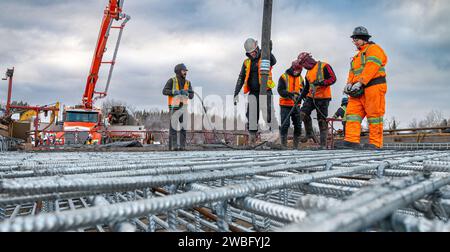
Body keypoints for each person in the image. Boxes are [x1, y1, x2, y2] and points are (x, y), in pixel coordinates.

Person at [343, 26, 388, 149]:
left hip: (373, 86)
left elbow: (371, 66)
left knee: (374, 115)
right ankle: (351, 140)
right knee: (352, 114)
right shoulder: (356, 57)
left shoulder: (374, 49)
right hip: (358, 89)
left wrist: (361, 82)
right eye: (354, 40)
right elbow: (352, 72)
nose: (355, 42)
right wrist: (349, 84)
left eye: (357, 39)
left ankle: (375, 143)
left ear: (364, 39)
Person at [234, 38, 277, 145]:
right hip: (253, 92)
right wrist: (236, 93)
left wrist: (269, 51)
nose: (252, 54)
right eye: (250, 53)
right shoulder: (247, 62)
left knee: (268, 114)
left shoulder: (265, 56)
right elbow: (241, 77)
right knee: (252, 116)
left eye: (253, 51)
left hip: (265, 91)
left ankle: (276, 138)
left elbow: (274, 61)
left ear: (257, 48)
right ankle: (252, 140)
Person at [297, 52, 337, 148]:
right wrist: (300, 97)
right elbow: (306, 87)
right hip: (311, 97)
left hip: (323, 98)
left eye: (303, 64)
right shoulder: (308, 72)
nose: (303, 66)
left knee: (322, 121)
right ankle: (309, 133)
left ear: (307, 61)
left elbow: (333, 79)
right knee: (302, 113)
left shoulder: (324, 66)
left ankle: (323, 145)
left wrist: (322, 82)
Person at [162, 63, 194, 151]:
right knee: (173, 128)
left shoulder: (188, 82)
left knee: (183, 128)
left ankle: (182, 147)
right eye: (184, 71)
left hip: (184, 107)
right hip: (174, 107)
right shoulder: (171, 81)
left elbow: (192, 95)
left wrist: (187, 93)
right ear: (179, 71)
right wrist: (173, 92)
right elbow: (164, 91)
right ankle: (174, 146)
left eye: (186, 71)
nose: (185, 72)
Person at [277, 60, 306, 148]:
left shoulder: (301, 78)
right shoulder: (283, 77)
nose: (297, 71)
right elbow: (280, 90)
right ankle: (283, 145)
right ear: (292, 68)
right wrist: (289, 94)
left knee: (298, 125)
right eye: (296, 69)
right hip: (285, 105)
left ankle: (295, 146)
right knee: (285, 125)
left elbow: (303, 91)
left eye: (299, 70)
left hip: (296, 105)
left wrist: (302, 97)